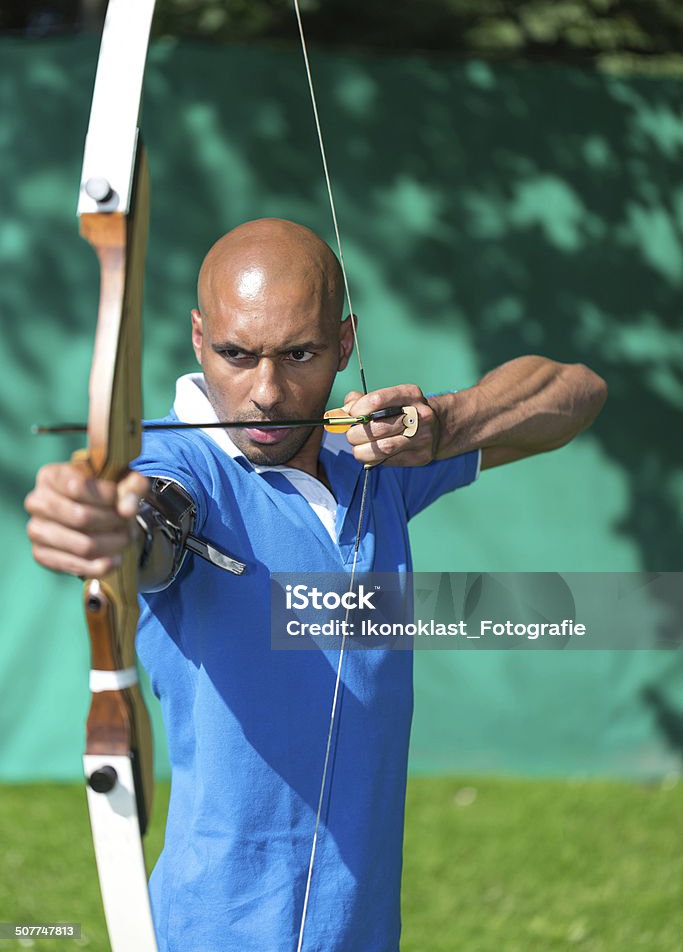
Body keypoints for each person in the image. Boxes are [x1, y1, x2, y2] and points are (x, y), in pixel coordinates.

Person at [25, 217, 607, 952]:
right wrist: (100, 525)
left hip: (360, 929)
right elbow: (150, 522)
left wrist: (447, 423)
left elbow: (575, 391)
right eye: (236, 355)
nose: (266, 392)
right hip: (214, 931)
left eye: (298, 353)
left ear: (345, 342)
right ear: (198, 338)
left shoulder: (372, 459)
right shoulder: (180, 467)